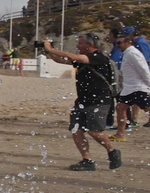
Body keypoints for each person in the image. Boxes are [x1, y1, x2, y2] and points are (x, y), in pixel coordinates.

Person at [40, 34, 121, 172]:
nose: (78, 46)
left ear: (90, 45)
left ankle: (112, 151)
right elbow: (61, 59)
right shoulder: (83, 60)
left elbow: (72, 56)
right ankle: (87, 160)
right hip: (82, 101)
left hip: (98, 101)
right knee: (76, 129)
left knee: (94, 131)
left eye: (81, 43)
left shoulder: (98, 58)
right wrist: (49, 50)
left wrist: (49, 48)